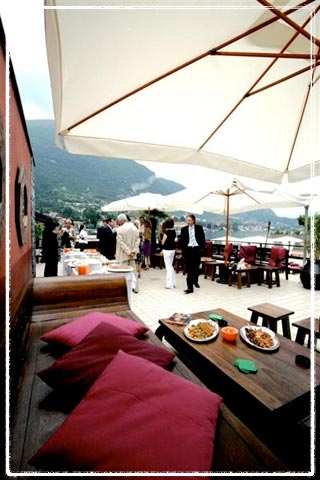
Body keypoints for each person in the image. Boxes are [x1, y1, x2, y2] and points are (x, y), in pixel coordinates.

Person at [180, 214, 205, 294]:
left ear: (193, 220)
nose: (188, 222)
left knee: (196, 267)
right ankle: (190, 288)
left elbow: (202, 239)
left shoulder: (199, 228)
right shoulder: (183, 229)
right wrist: (184, 250)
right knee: (189, 269)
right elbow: (182, 241)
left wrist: (201, 248)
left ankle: (196, 281)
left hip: (197, 249)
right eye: (187, 220)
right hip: (188, 250)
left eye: (189, 220)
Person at [115, 213, 140, 292]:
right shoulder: (135, 229)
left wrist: (128, 251)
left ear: (122, 221)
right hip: (133, 254)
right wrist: (134, 250)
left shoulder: (120, 229)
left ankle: (123, 288)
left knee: (122, 272)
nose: (118, 223)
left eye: (118, 221)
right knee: (133, 271)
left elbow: (121, 243)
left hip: (123, 254)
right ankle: (136, 288)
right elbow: (138, 240)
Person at [161, 218, 177, 289]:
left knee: (168, 267)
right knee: (171, 266)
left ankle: (169, 284)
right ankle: (173, 283)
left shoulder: (166, 233)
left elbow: (162, 242)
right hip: (172, 250)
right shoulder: (174, 232)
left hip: (167, 250)